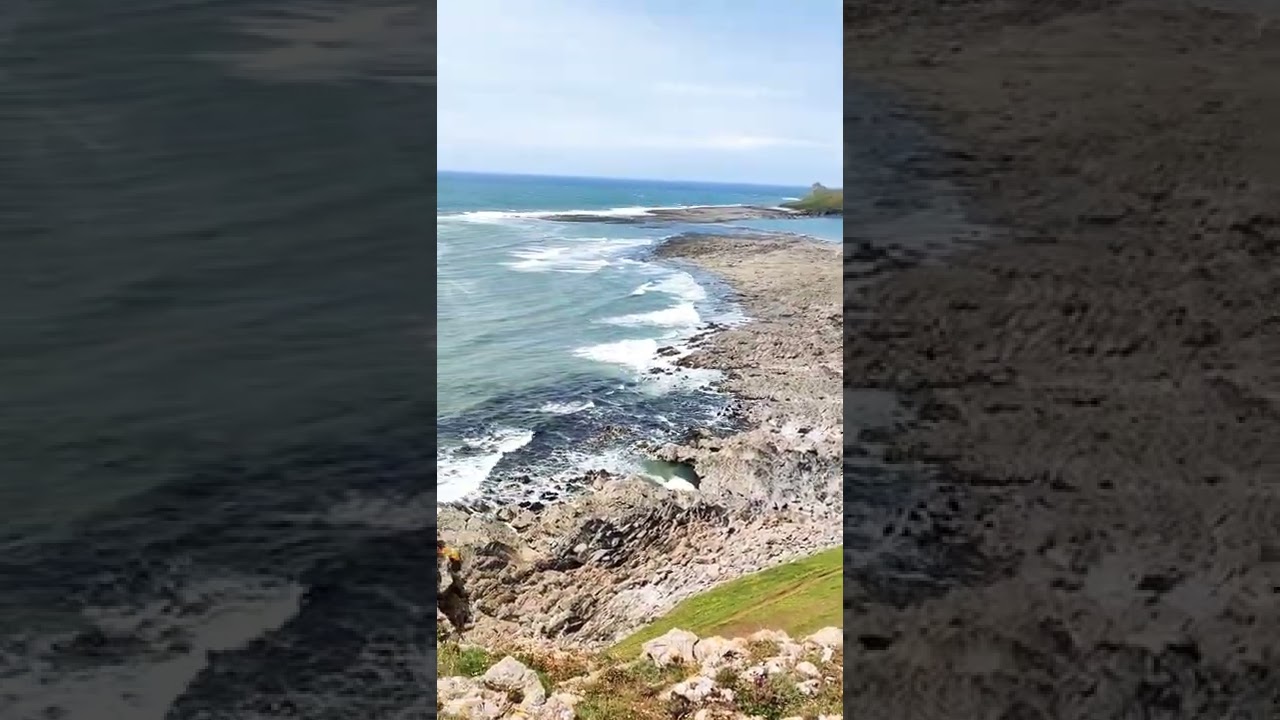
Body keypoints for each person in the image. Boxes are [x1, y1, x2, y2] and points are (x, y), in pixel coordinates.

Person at [436, 536, 472, 631]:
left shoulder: (444, 551)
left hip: (445, 585)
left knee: (456, 581)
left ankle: (464, 618)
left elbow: (455, 555)